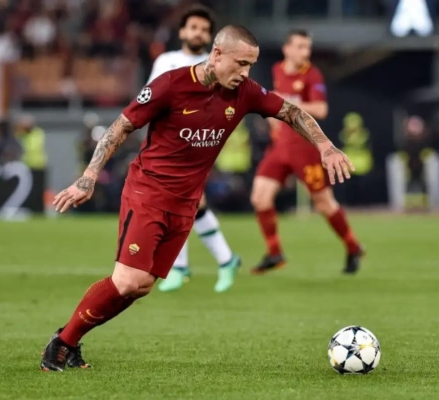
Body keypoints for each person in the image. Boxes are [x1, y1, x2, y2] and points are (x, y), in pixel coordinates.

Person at [40, 25, 354, 372]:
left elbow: (291, 112)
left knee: (140, 287)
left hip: (186, 203)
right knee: (126, 280)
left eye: (251, 66)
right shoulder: (170, 85)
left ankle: (69, 340)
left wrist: (326, 146)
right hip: (147, 193)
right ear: (217, 55)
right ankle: (62, 344)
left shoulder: (245, 92)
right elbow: (120, 127)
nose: (246, 73)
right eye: (241, 63)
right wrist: (88, 177)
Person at [250, 29, 363, 275]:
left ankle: (353, 246)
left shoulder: (312, 75)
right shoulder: (277, 70)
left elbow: (321, 109)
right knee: (260, 197)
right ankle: (274, 252)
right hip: (279, 146)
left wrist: (288, 103)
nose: (306, 52)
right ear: (287, 49)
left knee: (323, 203)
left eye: (308, 47)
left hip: (304, 148)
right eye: (300, 47)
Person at [148, 5, 241, 294]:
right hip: (168, 143)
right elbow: (150, 97)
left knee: (180, 203)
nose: (198, 33)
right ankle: (223, 260)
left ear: (210, 37)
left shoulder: (216, 65)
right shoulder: (166, 61)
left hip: (198, 143)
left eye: (203, 29)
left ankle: (183, 267)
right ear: (182, 32)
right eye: (193, 27)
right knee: (186, 204)